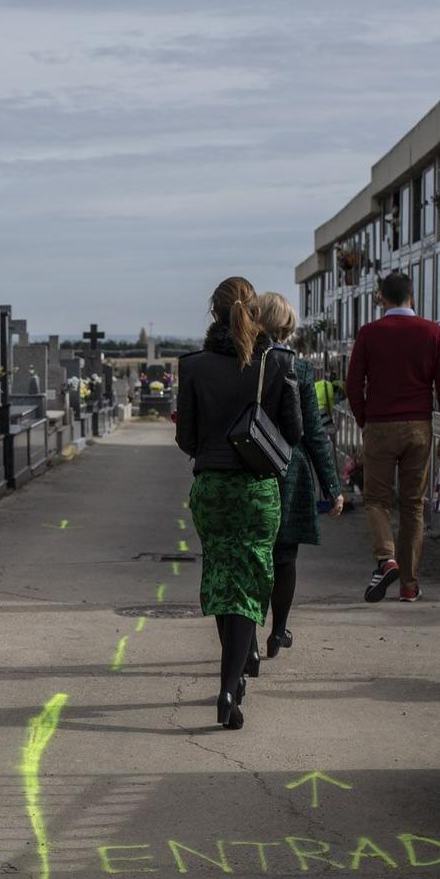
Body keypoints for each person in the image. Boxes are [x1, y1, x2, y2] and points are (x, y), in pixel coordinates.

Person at [174, 276, 301, 731]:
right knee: (249, 578)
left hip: (211, 488)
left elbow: (186, 437)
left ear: (214, 313)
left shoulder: (193, 367)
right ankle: (230, 686)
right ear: (254, 310)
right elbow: (295, 432)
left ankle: (230, 677)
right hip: (257, 488)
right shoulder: (278, 361)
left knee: (222, 572)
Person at [346, 270, 440, 603]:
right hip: (419, 428)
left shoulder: (369, 333)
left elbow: (353, 385)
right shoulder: (432, 332)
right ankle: (409, 584)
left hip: (380, 425)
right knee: (412, 506)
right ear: (412, 296)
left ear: (381, 297)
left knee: (377, 500)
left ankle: (386, 557)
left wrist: (365, 419)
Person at [254, 292, 344, 660]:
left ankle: (248, 636)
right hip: (290, 468)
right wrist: (333, 486)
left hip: (253, 464)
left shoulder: (245, 363)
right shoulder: (300, 368)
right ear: (286, 325)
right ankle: (278, 631)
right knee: (284, 556)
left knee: (256, 555)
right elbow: (314, 434)